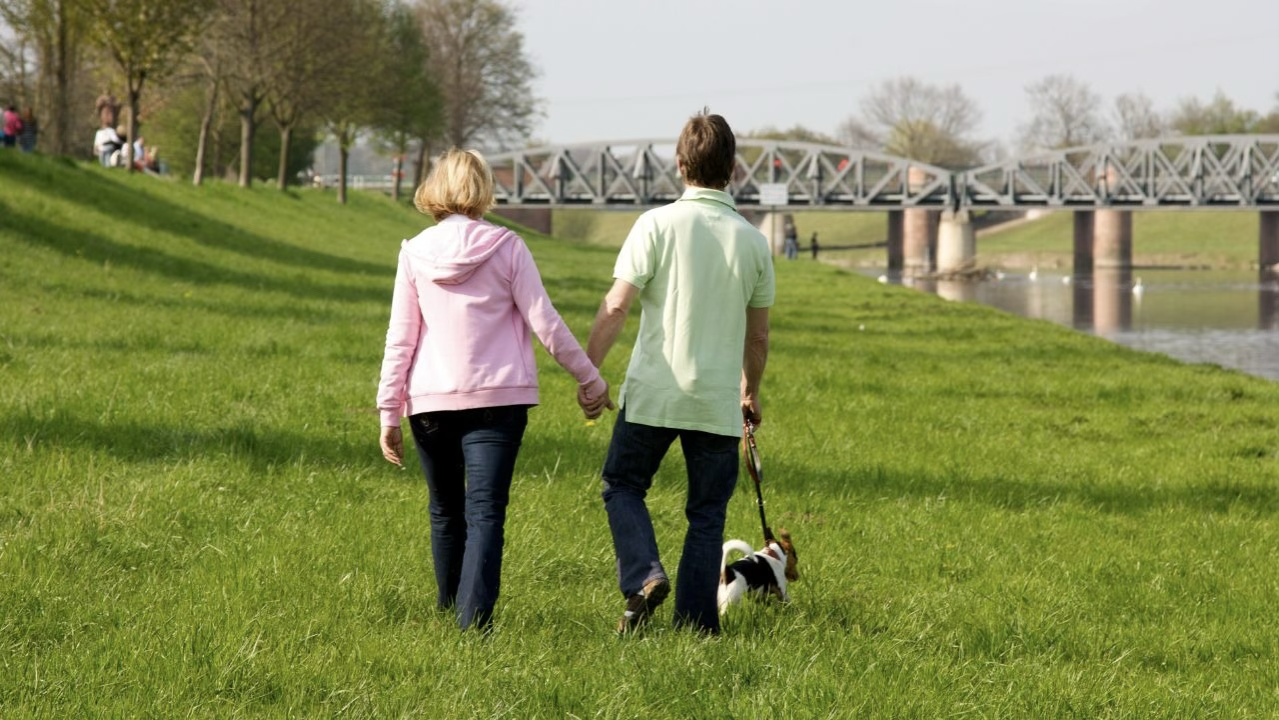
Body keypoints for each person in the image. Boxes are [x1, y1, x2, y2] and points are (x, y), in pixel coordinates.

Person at [376, 148, 611, 632]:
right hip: (498, 402)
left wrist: (388, 410)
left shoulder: (413, 251)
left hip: (430, 403)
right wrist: (590, 378)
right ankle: (472, 626)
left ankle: (449, 613)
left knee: (445, 510)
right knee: (485, 513)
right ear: (483, 189)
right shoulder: (508, 247)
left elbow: (401, 337)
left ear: (437, 188)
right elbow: (546, 323)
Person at [580, 111, 775, 635]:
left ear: (680, 164)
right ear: (733, 169)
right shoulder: (753, 242)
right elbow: (757, 337)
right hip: (715, 402)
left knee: (623, 484)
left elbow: (617, 306)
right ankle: (696, 627)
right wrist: (750, 391)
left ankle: (644, 575)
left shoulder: (655, 225)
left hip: (654, 392)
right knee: (706, 515)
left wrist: (589, 371)